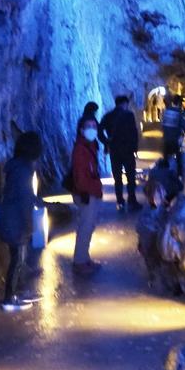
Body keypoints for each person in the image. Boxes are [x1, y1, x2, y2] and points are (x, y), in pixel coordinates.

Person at [0, 131, 42, 312]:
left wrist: (41, 202)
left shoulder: (18, 167)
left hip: (11, 217)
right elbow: (24, 199)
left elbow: (26, 195)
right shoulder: (23, 170)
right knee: (17, 260)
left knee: (18, 259)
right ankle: (9, 299)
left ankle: (15, 293)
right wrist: (29, 226)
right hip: (16, 220)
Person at [71, 116, 103, 275]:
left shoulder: (90, 145)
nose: (92, 129)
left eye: (94, 126)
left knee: (89, 227)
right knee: (85, 227)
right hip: (86, 193)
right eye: (88, 126)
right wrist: (88, 191)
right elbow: (80, 175)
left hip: (91, 191)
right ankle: (79, 262)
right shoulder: (80, 149)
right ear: (81, 130)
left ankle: (84, 257)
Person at [99, 95, 141, 212]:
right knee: (130, 177)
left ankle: (120, 202)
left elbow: (99, 130)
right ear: (124, 103)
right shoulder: (129, 115)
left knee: (117, 178)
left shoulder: (108, 116)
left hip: (114, 151)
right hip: (127, 150)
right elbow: (134, 133)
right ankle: (132, 201)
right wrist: (135, 148)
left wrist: (106, 142)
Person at [162, 95, 185, 179]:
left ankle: (165, 177)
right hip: (174, 140)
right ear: (180, 103)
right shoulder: (179, 113)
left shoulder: (166, 111)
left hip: (166, 139)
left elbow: (163, 124)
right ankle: (179, 178)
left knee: (166, 159)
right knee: (179, 160)